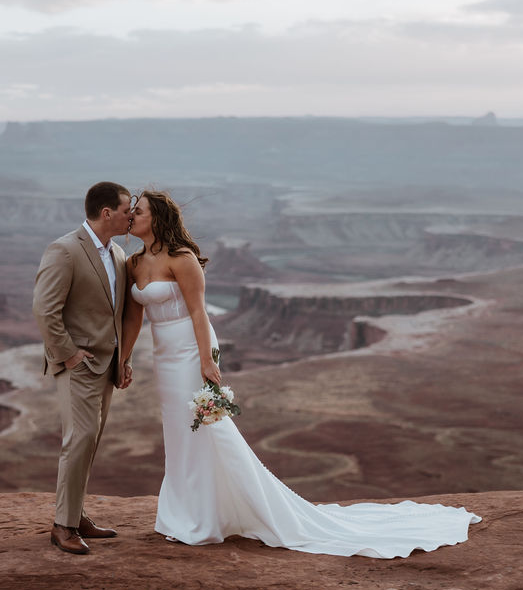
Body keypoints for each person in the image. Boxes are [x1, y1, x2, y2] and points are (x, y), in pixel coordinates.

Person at [119, 190, 481, 558]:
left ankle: (210, 517)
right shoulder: (134, 262)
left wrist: (207, 361)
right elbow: (134, 317)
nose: (133, 215)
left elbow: (199, 313)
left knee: (205, 427)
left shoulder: (182, 259)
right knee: (177, 430)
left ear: (158, 217)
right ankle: (185, 514)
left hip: (190, 347)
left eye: (140, 210)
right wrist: (126, 359)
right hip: (164, 355)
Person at [32, 181, 134, 554]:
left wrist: (124, 360)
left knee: (90, 440)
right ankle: (63, 526)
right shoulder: (65, 250)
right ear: (106, 213)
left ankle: (76, 515)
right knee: (79, 439)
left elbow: (117, 312)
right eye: (127, 210)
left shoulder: (119, 253)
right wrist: (69, 355)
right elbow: (45, 309)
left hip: (106, 366)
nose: (131, 216)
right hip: (78, 365)